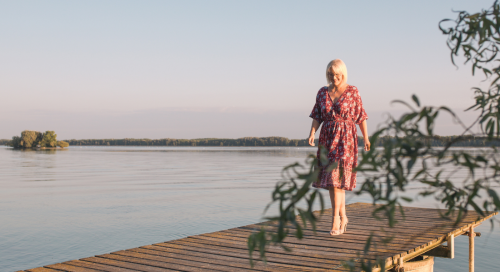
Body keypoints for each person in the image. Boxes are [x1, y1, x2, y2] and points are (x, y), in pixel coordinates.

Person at [308, 59, 370, 236]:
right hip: (327, 139)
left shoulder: (352, 91)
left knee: (337, 179)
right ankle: (343, 216)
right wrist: (312, 133)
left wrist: (366, 137)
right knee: (332, 182)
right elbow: (317, 115)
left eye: (337, 75)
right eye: (330, 75)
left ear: (343, 74)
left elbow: (361, 116)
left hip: (346, 140)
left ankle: (335, 219)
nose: (333, 78)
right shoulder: (322, 93)